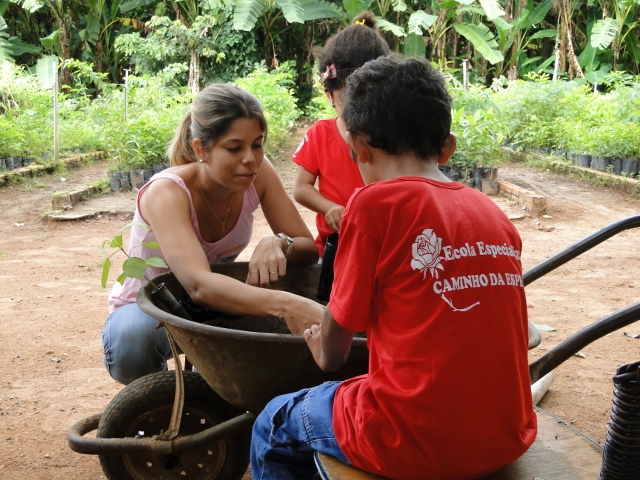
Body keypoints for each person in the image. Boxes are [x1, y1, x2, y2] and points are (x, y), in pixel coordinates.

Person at [250, 56, 537, 479]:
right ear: (447, 146)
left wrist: (318, 343)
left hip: (409, 437)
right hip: (505, 435)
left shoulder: (372, 205)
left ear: (359, 147)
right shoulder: (491, 212)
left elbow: (333, 354)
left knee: (273, 421)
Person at [103, 83, 322, 385]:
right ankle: (159, 398)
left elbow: (309, 248)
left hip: (212, 304)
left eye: (257, 145)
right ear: (200, 149)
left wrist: (279, 243)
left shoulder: (258, 173)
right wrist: (288, 305)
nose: (250, 159)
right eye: (234, 148)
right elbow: (199, 284)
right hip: (155, 309)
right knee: (133, 341)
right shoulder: (166, 191)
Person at [292, 11, 390, 257]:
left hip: (383, 246)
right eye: (345, 97)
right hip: (335, 248)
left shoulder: (392, 135)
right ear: (329, 94)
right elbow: (301, 189)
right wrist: (329, 208)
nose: (354, 106)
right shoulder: (319, 134)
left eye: (364, 96)